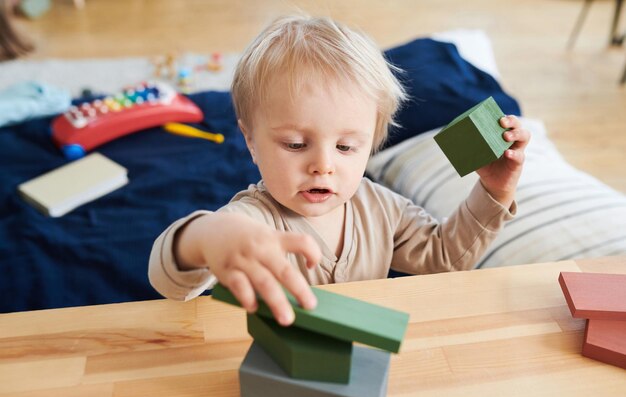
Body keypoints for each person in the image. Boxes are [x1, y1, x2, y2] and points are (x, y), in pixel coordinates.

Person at [148, 15, 530, 326]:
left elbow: (444, 256)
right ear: (250, 141)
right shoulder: (251, 224)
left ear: (372, 144)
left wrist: (493, 192)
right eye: (296, 145)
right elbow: (170, 283)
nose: (323, 166)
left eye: (346, 147)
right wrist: (205, 236)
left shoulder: (383, 208)